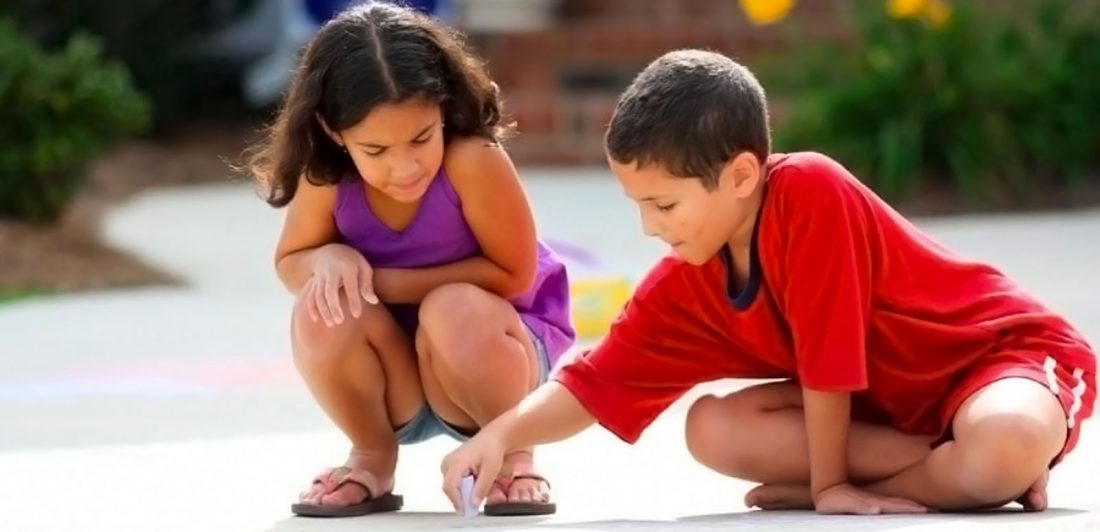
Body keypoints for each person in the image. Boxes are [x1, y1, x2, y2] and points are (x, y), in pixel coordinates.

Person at [440, 49, 1096, 515]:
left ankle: (977, 468)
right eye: (636, 205)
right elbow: (594, 383)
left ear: (743, 176)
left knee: (1006, 441)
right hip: (890, 415)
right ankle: (960, 473)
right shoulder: (685, 279)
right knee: (710, 432)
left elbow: (830, 345)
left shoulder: (809, 188)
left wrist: (828, 485)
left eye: (664, 205)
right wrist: (500, 436)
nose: (647, 228)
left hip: (996, 362)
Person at [247, 1, 573, 517]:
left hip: (488, 358)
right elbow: (292, 262)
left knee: (451, 308)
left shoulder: (474, 161)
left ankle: (512, 453)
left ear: (442, 109)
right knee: (321, 304)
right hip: (394, 379)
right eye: (375, 150)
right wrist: (326, 258)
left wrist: (380, 282)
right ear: (335, 131)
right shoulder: (327, 177)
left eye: (421, 138)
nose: (405, 166)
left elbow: (514, 276)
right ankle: (372, 457)